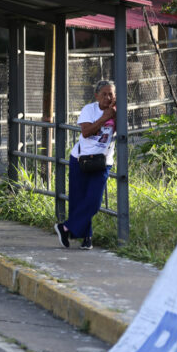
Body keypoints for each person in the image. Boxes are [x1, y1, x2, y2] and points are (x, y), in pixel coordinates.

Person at [54, 80, 117, 250]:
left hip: (102, 161)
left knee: (93, 201)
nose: (107, 97)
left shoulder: (116, 112)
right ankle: (86, 237)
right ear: (96, 95)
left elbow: (119, 129)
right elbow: (86, 132)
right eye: (103, 94)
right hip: (81, 159)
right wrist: (104, 118)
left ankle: (65, 228)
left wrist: (115, 112)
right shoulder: (89, 109)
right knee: (78, 199)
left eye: (110, 94)